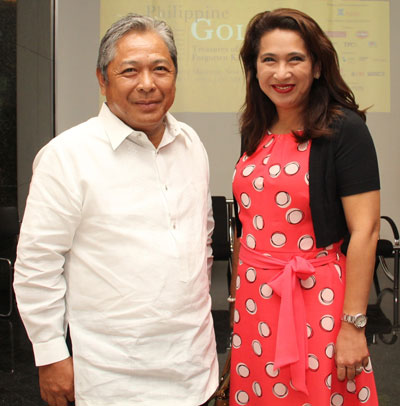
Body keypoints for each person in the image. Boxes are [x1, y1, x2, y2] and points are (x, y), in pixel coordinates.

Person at [13, 14, 218, 406]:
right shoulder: (67, 157)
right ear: (102, 79)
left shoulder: (191, 143)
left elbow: (200, 239)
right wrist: (51, 355)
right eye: (130, 70)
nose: (147, 84)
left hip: (196, 372)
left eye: (161, 69)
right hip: (113, 382)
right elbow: (37, 265)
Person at [229, 8, 380, 406]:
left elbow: (365, 230)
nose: (282, 73)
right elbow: (247, 229)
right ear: (254, 69)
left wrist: (353, 326)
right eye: (269, 61)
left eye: (295, 59)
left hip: (318, 299)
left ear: (316, 67)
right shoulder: (254, 128)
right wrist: (236, 313)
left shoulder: (344, 128)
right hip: (256, 301)